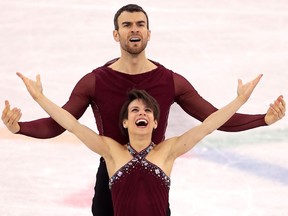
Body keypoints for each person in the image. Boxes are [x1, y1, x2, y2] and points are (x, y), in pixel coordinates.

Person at [1, 4, 286, 216]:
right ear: (116, 33)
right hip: (112, 167)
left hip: (157, 168)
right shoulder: (95, 81)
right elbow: (63, 123)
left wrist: (263, 118)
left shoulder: (170, 81)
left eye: (140, 24)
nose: (134, 29)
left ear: (149, 33)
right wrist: (20, 127)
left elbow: (211, 120)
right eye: (127, 24)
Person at [13, 72, 270, 215]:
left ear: (156, 123)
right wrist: (40, 98)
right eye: (135, 110)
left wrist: (240, 101)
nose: (142, 114)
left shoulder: (167, 151)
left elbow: (208, 125)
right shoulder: (112, 152)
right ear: (125, 122)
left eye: (148, 111)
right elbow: (72, 125)